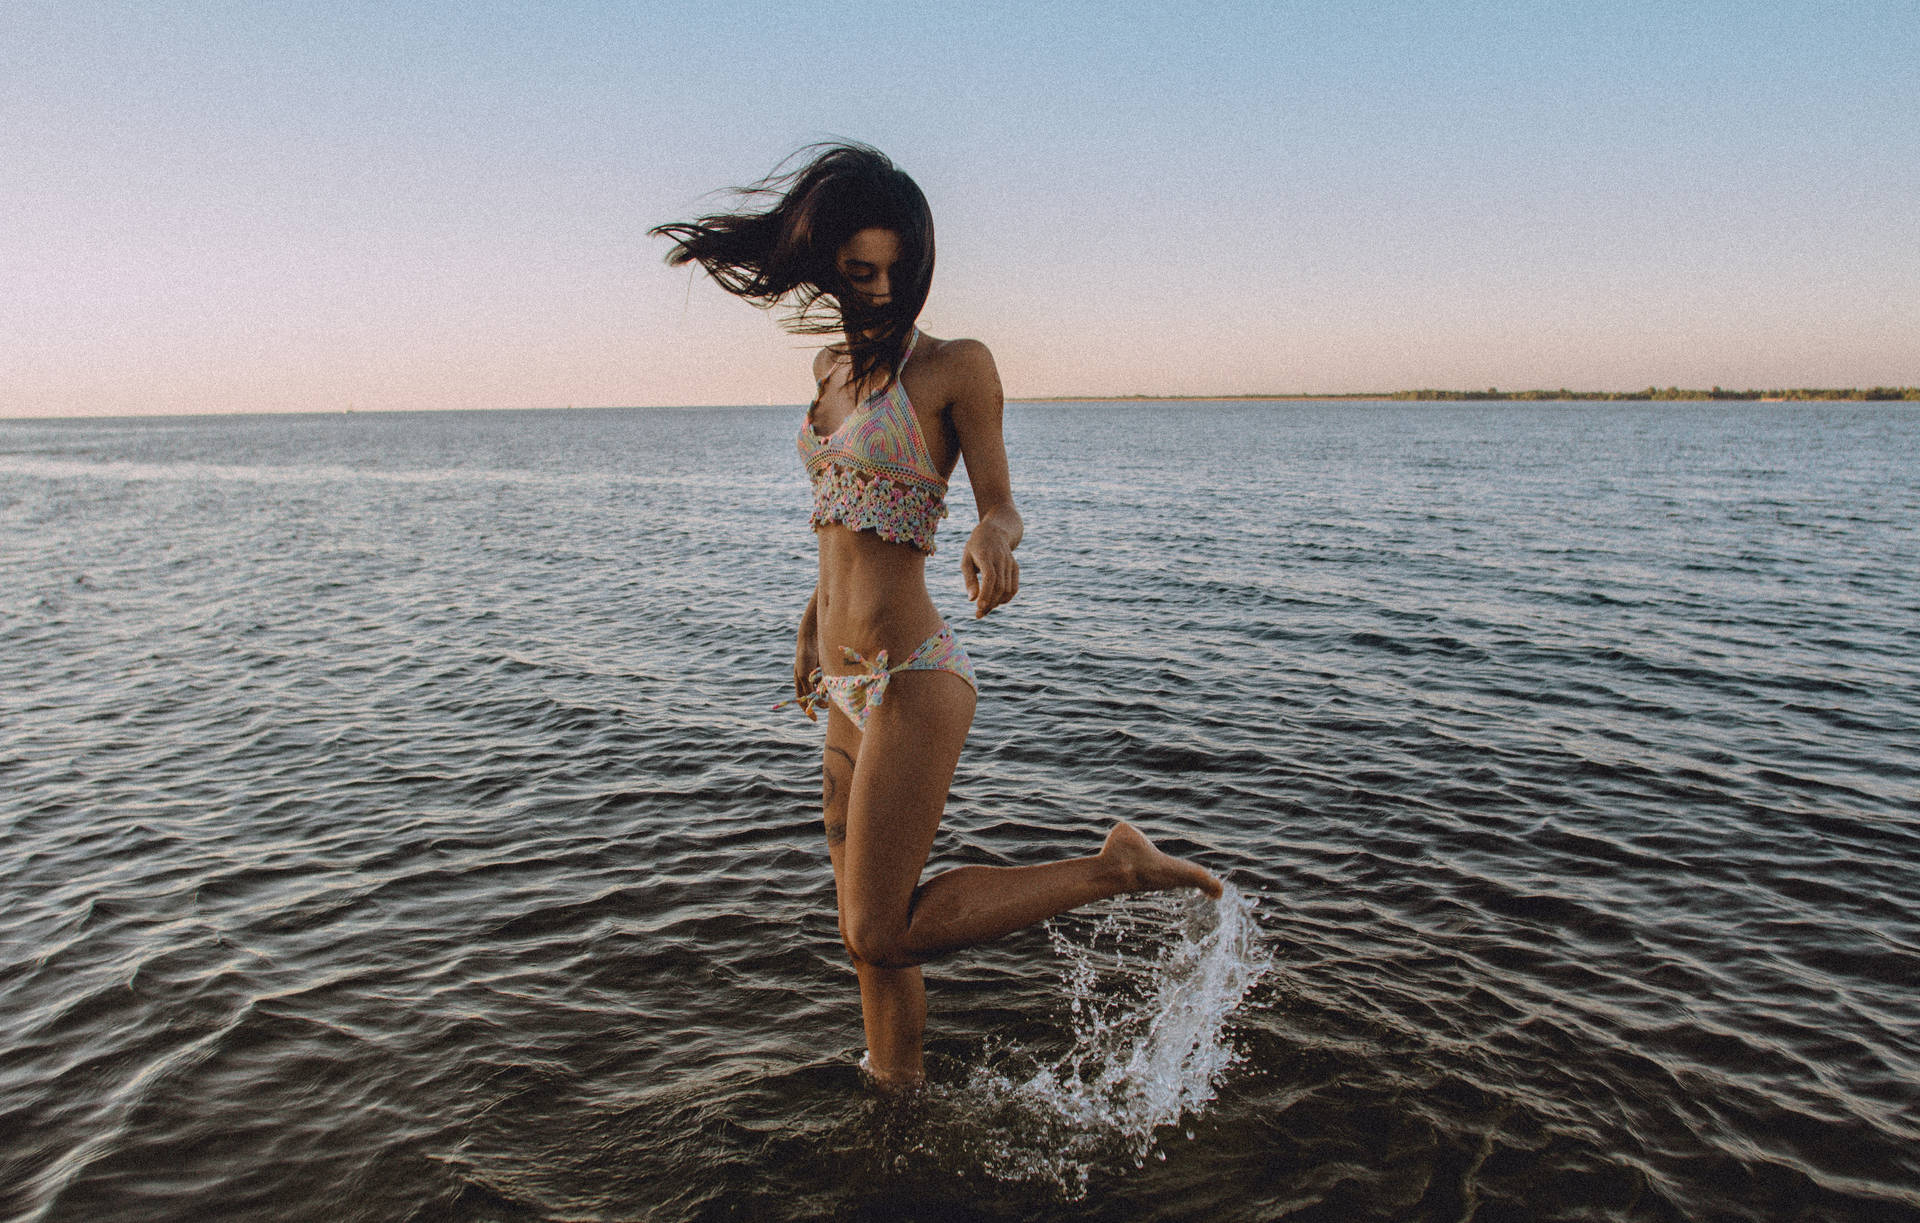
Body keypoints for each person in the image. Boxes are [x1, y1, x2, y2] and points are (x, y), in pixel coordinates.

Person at [653, 143, 1221, 1089]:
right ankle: (895, 1093)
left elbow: (1000, 501)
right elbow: (843, 520)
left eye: (895, 273)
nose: (878, 290)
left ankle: (1113, 868)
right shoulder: (832, 371)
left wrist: (994, 538)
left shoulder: (956, 366)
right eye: (859, 271)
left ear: (918, 269)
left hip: (913, 670)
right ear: (832, 264)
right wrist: (810, 618)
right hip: (841, 677)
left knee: (879, 920)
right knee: (869, 944)